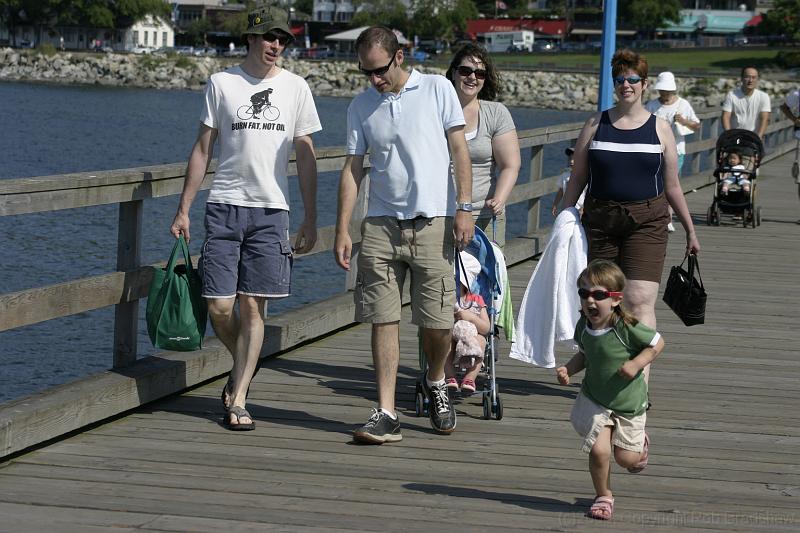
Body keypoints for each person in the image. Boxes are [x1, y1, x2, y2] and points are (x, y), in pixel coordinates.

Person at [170, 4, 321, 431]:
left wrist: (310, 217)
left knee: (254, 307)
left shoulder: (296, 88)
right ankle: (243, 365)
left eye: (283, 39)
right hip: (223, 205)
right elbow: (203, 149)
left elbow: (306, 157)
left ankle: (238, 397)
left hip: (273, 211)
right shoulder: (222, 83)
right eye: (270, 37)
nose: (277, 46)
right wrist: (184, 208)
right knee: (218, 306)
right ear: (251, 38)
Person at [334, 26, 474, 444]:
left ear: (399, 57)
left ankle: (435, 381)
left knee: (436, 324)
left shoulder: (436, 89)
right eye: (365, 72)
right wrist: (343, 226)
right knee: (383, 317)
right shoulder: (361, 106)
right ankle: (386, 411)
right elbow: (353, 168)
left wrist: (464, 208)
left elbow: (460, 150)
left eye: (378, 70)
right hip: (380, 223)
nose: (373, 80)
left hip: (433, 221)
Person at [561, 49, 700, 357]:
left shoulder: (660, 128)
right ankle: (602, 374)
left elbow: (673, 186)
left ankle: (637, 387)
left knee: (638, 300)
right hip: (601, 222)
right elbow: (578, 177)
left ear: (644, 84)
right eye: (620, 79)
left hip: (647, 222)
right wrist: (563, 219)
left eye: (633, 79)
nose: (626, 85)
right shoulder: (596, 124)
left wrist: (690, 230)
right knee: (602, 300)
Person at [556, 259, 665, 521]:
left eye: (599, 295)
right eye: (584, 294)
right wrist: (569, 370)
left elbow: (657, 343)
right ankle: (603, 495)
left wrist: (636, 363)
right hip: (597, 399)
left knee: (627, 459)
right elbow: (585, 355)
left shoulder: (625, 328)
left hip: (628, 402)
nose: (590, 301)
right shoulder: (583, 327)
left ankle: (640, 445)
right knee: (599, 450)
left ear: (615, 299)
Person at [445, 43, 520, 247]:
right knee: (442, 279)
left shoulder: (496, 113)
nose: (472, 77)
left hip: (484, 216)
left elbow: (510, 165)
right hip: (440, 216)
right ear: (453, 73)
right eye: (465, 71)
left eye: (480, 73)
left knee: (486, 277)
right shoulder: (435, 110)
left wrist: (499, 198)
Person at [645, 71, 701, 233]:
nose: (665, 94)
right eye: (662, 90)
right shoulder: (652, 105)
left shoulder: (683, 104)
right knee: (656, 184)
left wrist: (683, 121)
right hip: (655, 150)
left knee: (670, 183)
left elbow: (696, 125)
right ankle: (656, 215)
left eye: (667, 90)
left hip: (677, 150)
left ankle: (668, 217)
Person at [445, 251, 490, 394]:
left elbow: (486, 327)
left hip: (473, 336)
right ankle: (450, 376)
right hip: (453, 335)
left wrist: (470, 317)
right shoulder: (447, 300)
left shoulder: (476, 300)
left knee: (482, 341)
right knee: (444, 341)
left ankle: (470, 378)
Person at [721, 66, 771, 140]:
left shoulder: (764, 97)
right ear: (741, 78)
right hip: (736, 137)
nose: (750, 80)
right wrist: (729, 134)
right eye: (747, 77)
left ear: (757, 79)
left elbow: (765, 118)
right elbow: (725, 116)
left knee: (752, 150)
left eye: (754, 77)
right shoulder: (731, 95)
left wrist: (759, 136)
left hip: (754, 137)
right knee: (733, 151)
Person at [552, 147, 585, 216]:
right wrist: (555, 204)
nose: (571, 161)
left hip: (580, 209)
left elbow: (587, 194)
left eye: (575, 159)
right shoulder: (564, 175)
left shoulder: (583, 176)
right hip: (566, 208)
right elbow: (561, 191)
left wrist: (583, 208)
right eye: (570, 158)